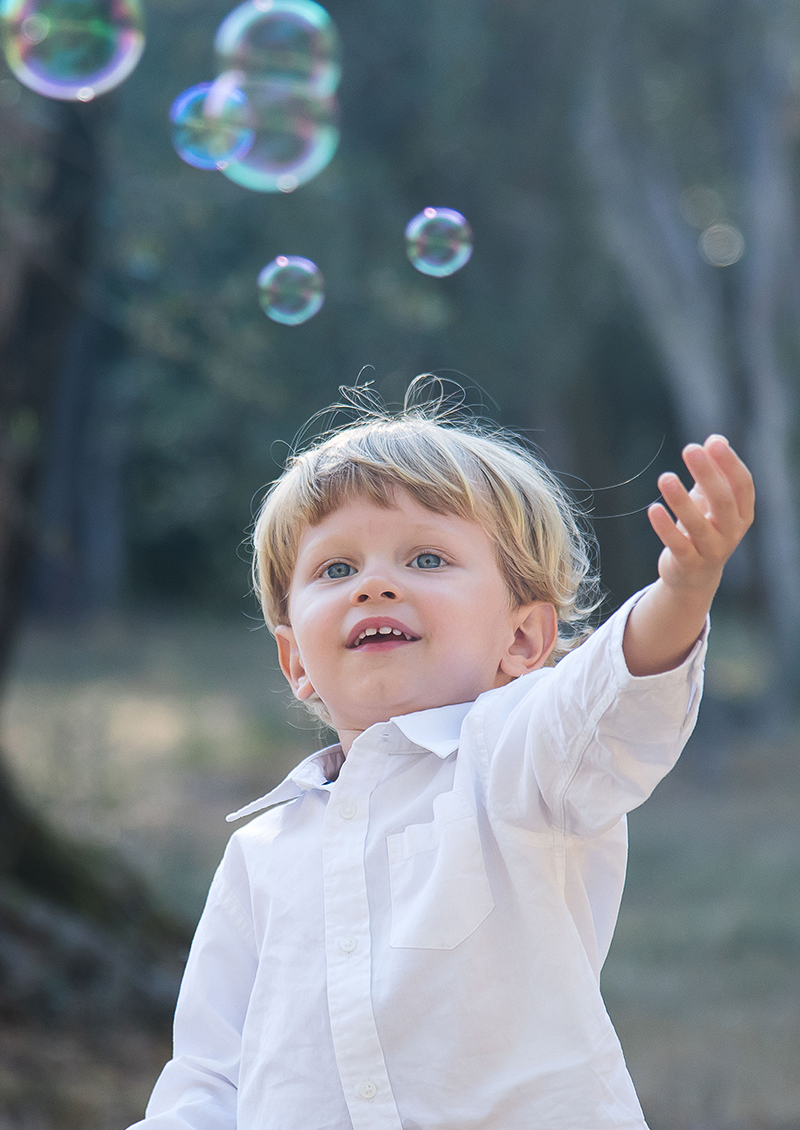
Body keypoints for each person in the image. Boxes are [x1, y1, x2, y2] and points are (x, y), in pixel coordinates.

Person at [129, 379, 755, 1130]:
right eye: (336, 570)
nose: (374, 586)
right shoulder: (259, 856)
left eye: (425, 558)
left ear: (523, 639)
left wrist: (683, 591)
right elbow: (208, 1076)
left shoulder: (521, 757)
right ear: (295, 661)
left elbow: (610, 700)